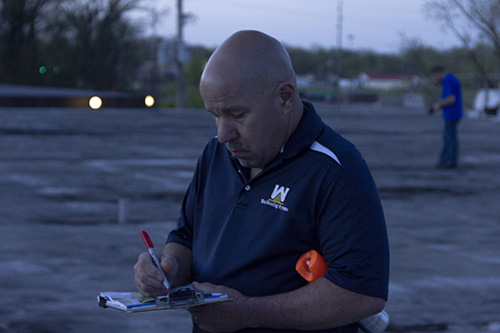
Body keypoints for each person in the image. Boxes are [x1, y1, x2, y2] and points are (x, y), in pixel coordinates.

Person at [134, 30, 389, 333]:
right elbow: (187, 236)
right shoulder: (215, 153)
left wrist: (247, 313)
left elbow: (361, 294)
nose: (223, 133)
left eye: (237, 114)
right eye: (215, 115)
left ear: (285, 97)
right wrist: (167, 269)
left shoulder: (336, 170)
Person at [430, 66, 463, 169]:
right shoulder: (450, 80)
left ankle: (450, 162)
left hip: (452, 114)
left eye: (435, 77)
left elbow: (451, 99)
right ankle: (445, 161)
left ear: (438, 73)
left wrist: (438, 106)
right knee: (448, 139)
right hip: (451, 114)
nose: (435, 79)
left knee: (450, 140)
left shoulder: (448, 81)